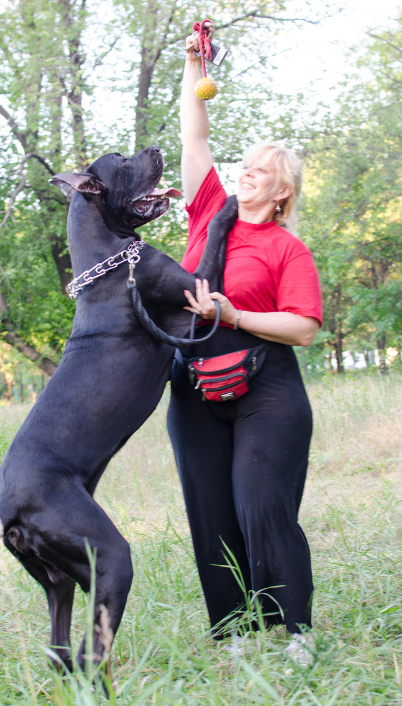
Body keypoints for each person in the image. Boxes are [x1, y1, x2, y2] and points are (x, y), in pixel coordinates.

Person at [166, 26, 323, 646]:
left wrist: (234, 315)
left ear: (281, 191)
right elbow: (194, 131)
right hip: (195, 385)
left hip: (268, 388)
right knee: (210, 510)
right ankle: (235, 632)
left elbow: (304, 329)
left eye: (261, 171)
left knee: (262, 504)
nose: (247, 173)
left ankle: (297, 633)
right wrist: (194, 66)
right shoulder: (209, 211)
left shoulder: (287, 248)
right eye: (246, 166)